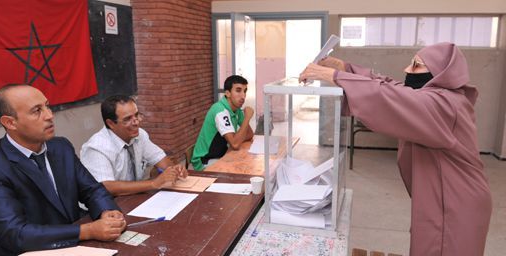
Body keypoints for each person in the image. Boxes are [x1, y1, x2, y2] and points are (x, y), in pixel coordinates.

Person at [299, 42, 492, 256]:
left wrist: (335, 76)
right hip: (443, 195)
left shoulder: (445, 105)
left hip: (456, 203)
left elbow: (387, 96)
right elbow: (391, 86)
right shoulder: (441, 97)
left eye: (416, 66)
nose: (407, 70)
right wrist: (345, 67)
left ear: (440, 72)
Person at [0, 85, 126, 255]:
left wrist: (107, 212)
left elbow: (92, 190)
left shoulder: (60, 146)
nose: (49, 115)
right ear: (10, 122)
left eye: (47, 106)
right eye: (36, 111)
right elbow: (15, 233)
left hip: (78, 246)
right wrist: (87, 231)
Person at [80, 95, 187, 196]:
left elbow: (161, 160)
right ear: (111, 124)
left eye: (136, 115)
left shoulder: (140, 135)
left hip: (133, 197)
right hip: (106, 208)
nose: (136, 122)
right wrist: (154, 183)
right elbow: (106, 187)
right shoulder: (96, 147)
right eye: (127, 119)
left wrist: (174, 170)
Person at [191, 75, 254, 171]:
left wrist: (236, 138)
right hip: (206, 160)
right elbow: (235, 144)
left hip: (223, 153)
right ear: (227, 93)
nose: (243, 96)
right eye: (238, 90)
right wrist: (247, 118)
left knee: (248, 164)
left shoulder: (236, 109)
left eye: (245, 91)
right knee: (241, 169)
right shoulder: (220, 111)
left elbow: (249, 134)